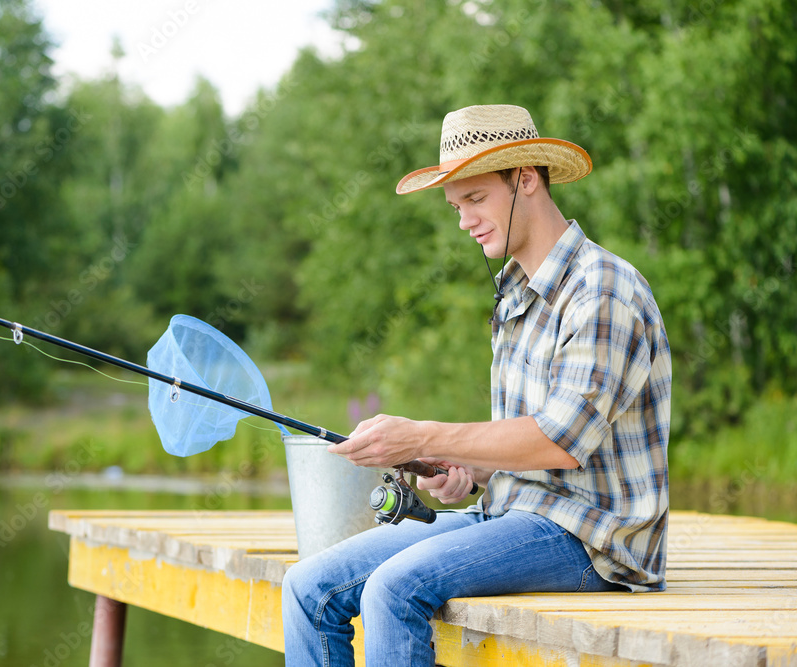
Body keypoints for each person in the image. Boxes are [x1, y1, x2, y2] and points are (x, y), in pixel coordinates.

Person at [281, 104, 672, 666]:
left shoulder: (602, 289)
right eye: (455, 205)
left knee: (393, 590)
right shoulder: (515, 293)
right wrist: (463, 467)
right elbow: (527, 444)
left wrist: (423, 437)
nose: (464, 220)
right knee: (308, 587)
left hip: (594, 541)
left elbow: (558, 441)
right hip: (510, 514)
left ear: (526, 179)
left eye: (476, 198)